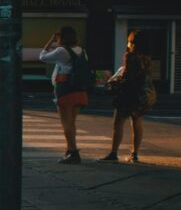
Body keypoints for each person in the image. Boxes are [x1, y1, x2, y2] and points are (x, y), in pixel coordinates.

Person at [99, 30, 154, 163]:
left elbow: (127, 76)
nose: (127, 44)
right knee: (137, 122)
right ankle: (134, 154)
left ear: (133, 43)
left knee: (118, 123)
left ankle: (113, 153)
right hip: (141, 94)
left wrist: (113, 81)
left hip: (127, 94)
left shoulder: (130, 56)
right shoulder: (147, 57)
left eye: (129, 41)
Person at [40, 26, 89, 164]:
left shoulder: (62, 51)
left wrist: (50, 41)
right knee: (72, 122)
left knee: (66, 123)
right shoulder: (82, 50)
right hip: (80, 90)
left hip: (65, 89)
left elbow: (42, 57)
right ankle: (70, 150)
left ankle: (73, 153)